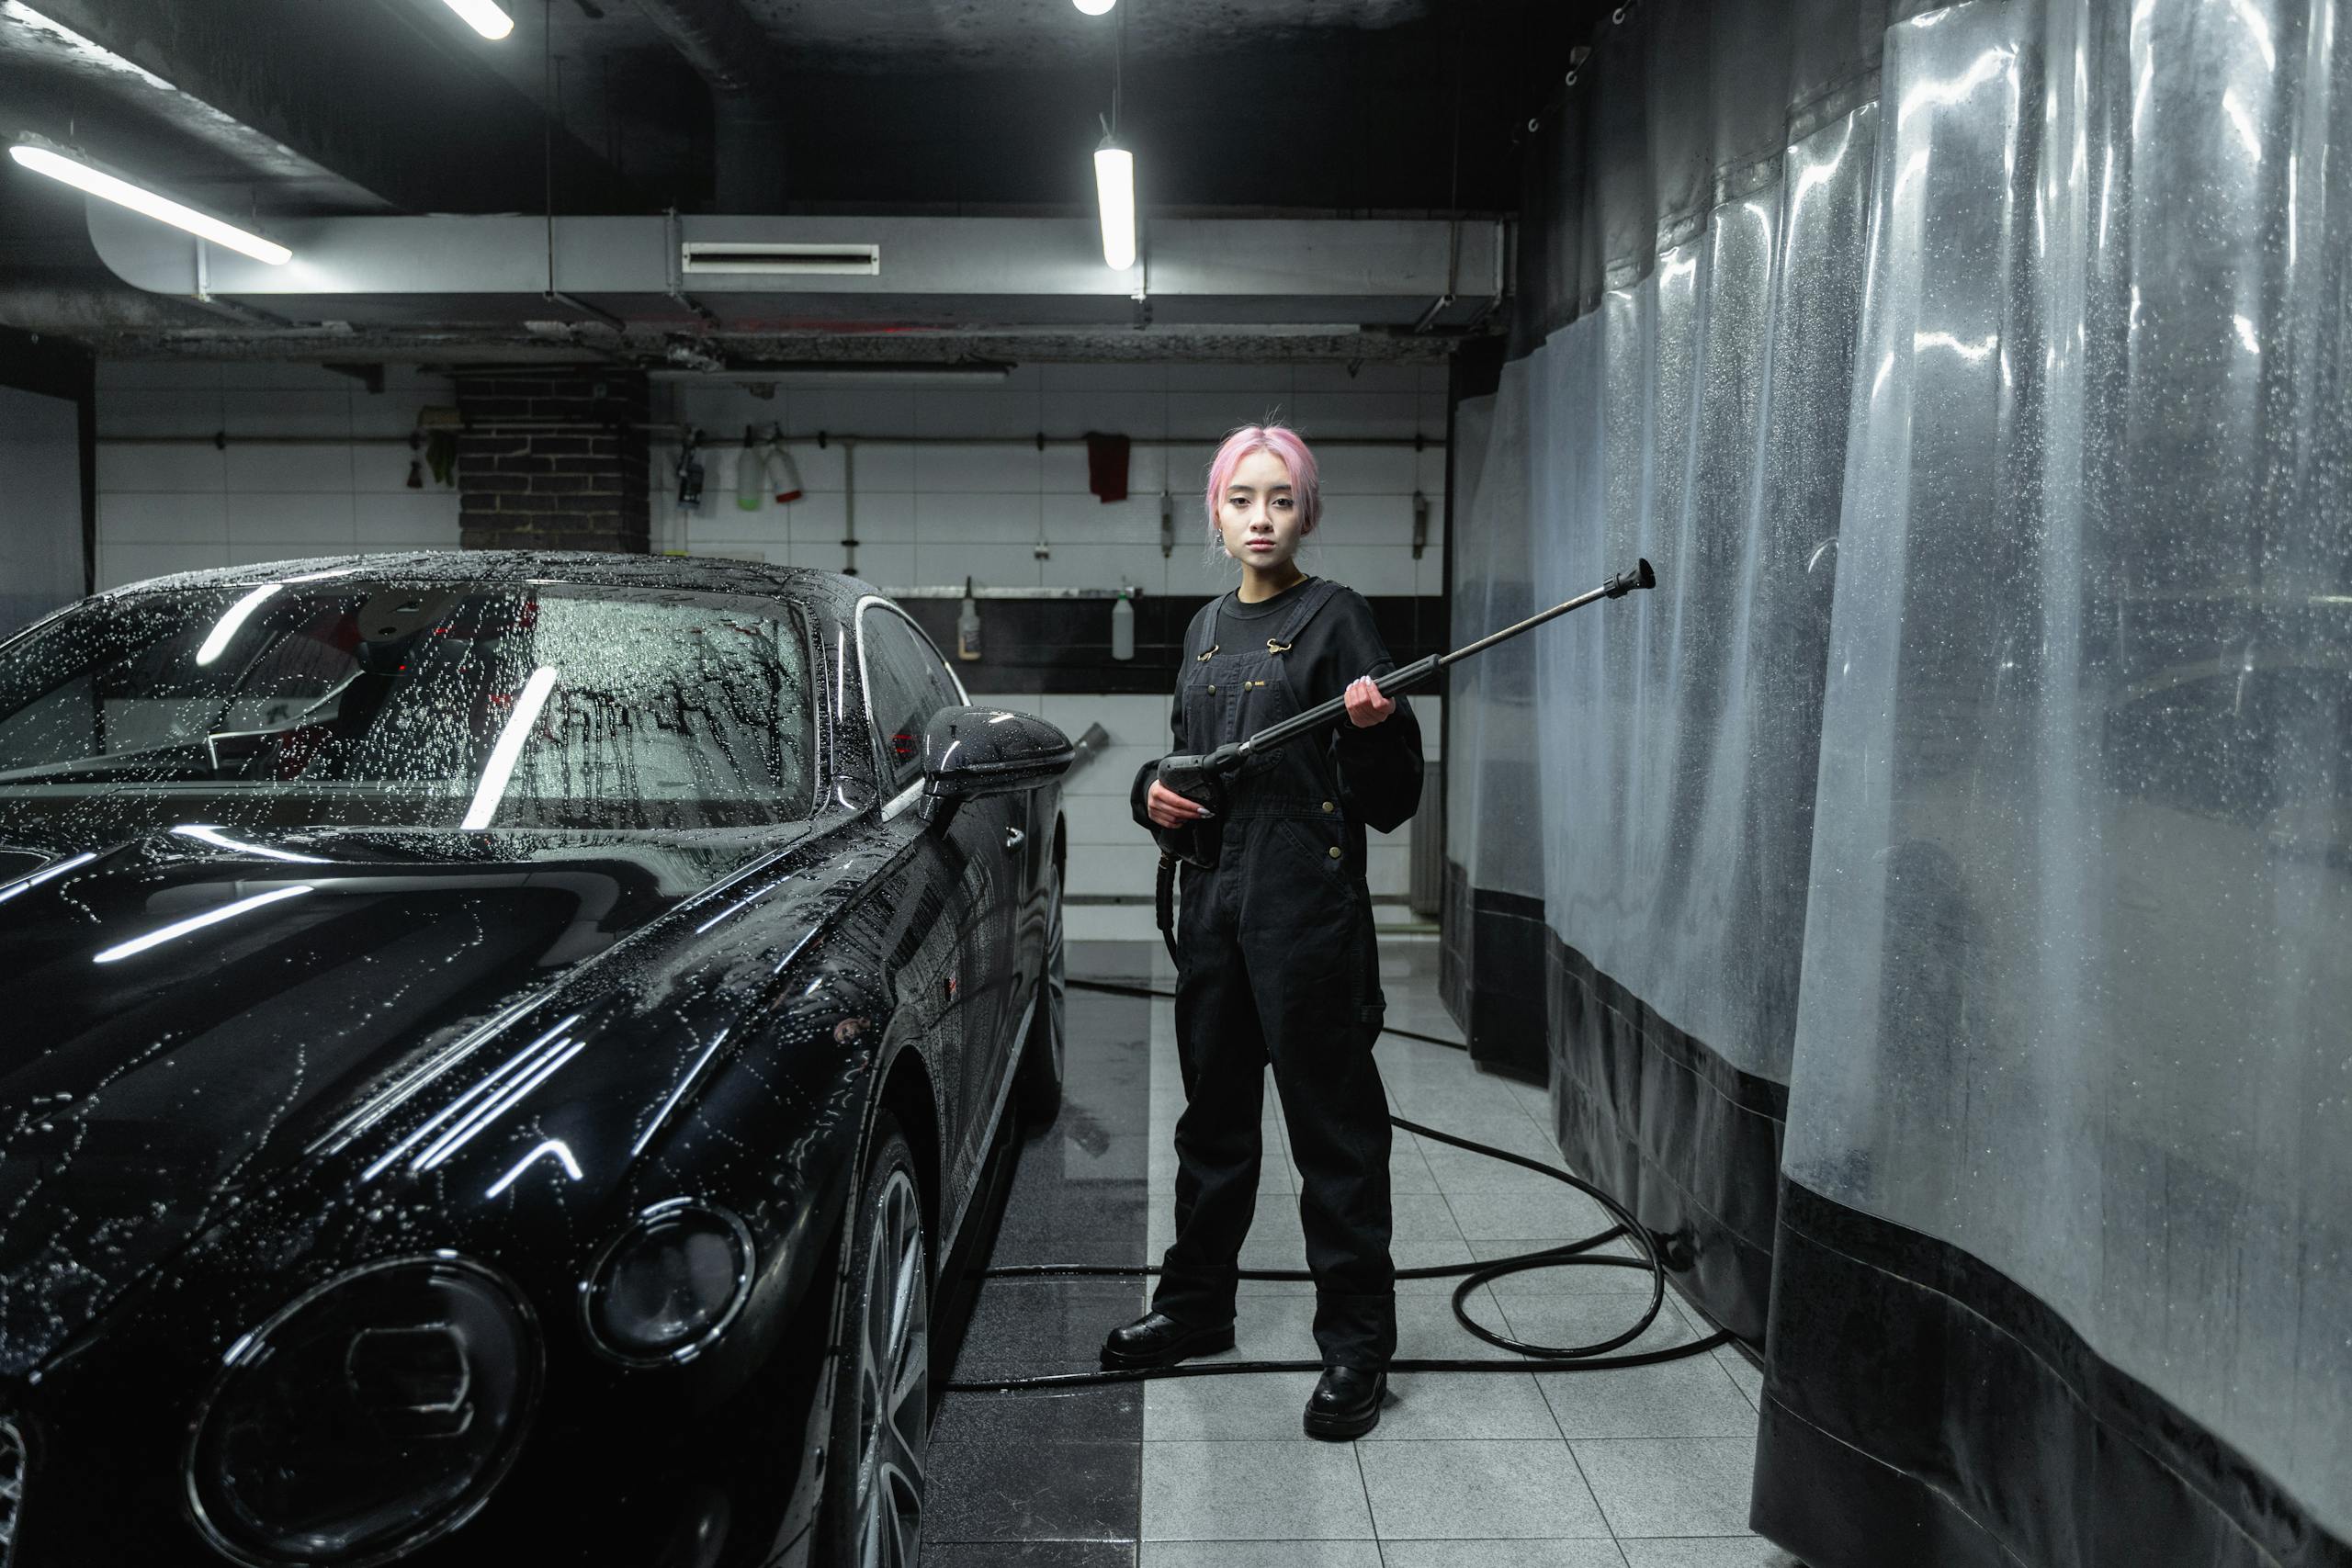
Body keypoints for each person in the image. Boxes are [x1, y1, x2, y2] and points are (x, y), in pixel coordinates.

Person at [1101, 422, 1422, 1439]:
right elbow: (1188, 770)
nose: (1261, 517)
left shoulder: (1338, 619)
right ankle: (1197, 1307)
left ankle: (1357, 1344)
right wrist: (1149, 794)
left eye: (1281, 499)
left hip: (1307, 921)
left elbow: (1393, 800)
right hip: (1214, 916)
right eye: (1242, 499)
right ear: (1216, 510)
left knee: (1334, 1135)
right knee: (1212, 1125)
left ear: (1305, 511)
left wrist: (1373, 731)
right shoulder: (1203, 628)